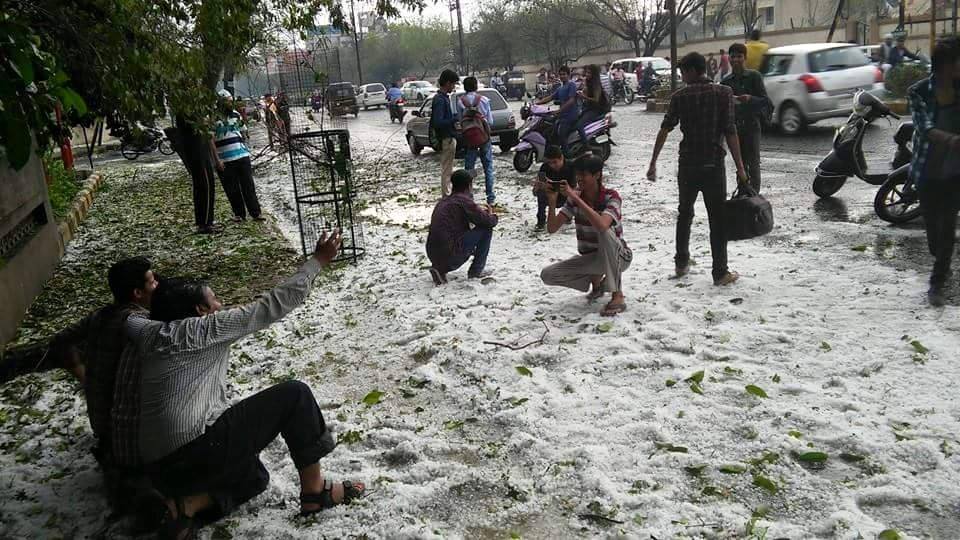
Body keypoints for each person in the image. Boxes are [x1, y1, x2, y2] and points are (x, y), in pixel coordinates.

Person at [116, 232, 363, 539]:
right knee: (295, 395)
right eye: (214, 300)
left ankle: (185, 507)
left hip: (160, 471)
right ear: (200, 312)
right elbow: (272, 304)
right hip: (193, 455)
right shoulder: (204, 329)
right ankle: (315, 494)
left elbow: (126, 319)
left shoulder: (146, 331)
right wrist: (319, 261)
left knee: (255, 475)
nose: (220, 304)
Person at [44, 257, 163, 529]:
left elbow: (59, 340)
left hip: (98, 419)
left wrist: (82, 373)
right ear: (137, 293)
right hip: (124, 426)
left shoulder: (100, 316)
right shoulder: (138, 324)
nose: (157, 285)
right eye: (152, 281)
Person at [646, 52, 748, 287]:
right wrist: (741, 169)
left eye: (683, 71)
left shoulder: (680, 97)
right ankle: (720, 272)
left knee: (685, 213)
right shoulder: (724, 93)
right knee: (717, 219)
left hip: (688, 165)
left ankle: (681, 263)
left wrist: (653, 162)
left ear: (693, 70)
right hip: (713, 165)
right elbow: (730, 131)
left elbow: (665, 129)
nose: (682, 76)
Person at [540, 156, 632, 317]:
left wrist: (575, 197)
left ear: (597, 175)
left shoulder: (612, 197)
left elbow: (603, 225)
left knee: (604, 232)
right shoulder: (574, 197)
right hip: (593, 259)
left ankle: (617, 295)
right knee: (547, 275)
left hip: (620, 257)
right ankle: (597, 285)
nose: (579, 179)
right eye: (578, 174)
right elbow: (552, 228)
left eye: (584, 175)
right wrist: (552, 201)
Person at [907, 36, 960, 306]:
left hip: (954, 172)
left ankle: (936, 284)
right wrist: (951, 140)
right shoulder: (919, 91)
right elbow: (924, 128)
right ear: (946, 65)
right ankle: (941, 259)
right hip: (927, 170)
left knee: (948, 227)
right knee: (934, 234)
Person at [426, 170, 498, 285]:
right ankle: (476, 271)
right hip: (451, 253)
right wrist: (491, 214)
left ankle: (440, 268)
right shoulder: (464, 201)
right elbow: (489, 221)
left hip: (432, 253)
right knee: (486, 229)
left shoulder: (443, 201)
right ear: (469, 186)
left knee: (451, 239)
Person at [722, 42, 771, 193]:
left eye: (739, 56)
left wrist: (750, 99)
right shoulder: (725, 82)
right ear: (728, 58)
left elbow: (765, 101)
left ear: (745, 58)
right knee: (740, 163)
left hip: (752, 126)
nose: (736, 60)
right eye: (733, 56)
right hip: (734, 129)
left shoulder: (754, 76)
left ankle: (754, 195)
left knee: (754, 163)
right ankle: (743, 193)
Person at [214, 89, 264, 222]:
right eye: (228, 102)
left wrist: (246, 145)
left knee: (248, 185)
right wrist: (217, 160)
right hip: (224, 158)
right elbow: (210, 140)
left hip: (241, 155)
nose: (230, 104)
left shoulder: (236, 115)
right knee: (231, 188)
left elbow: (243, 131)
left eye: (231, 101)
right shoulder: (213, 117)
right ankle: (239, 214)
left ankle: (256, 212)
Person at [174, 114, 220, 234]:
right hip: (196, 152)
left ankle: (205, 221)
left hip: (200, 150)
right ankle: (205, 223)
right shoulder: (185, 114)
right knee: (205, 186)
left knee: (206, 185)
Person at [456, 76, 497, 206]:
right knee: (488, 167)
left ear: (464, 87)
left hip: (469, 138)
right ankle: (490, 198)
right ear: (476, 86)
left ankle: (469, 196)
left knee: (469, 168)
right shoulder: (484, 100)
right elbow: (490, 121)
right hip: (484, 137)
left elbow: (459, 120)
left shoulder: (460, 102)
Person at [535, 65, 579, 154]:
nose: (562, 76)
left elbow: (571, 101)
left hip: (571, 115)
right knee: (549, 130)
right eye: (560, 74)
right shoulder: (560, 88)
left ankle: (567, 155)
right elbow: (550, 97)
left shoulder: (572, 85)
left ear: (568, 75)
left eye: (564, 74)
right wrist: (536, 104)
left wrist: (559, 110)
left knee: (561, 133)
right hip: (562, 115)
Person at [533, 145, 577, 230]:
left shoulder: (571, 167)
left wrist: (565, 190)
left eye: (555, 162)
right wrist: (538, 187)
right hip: (549, 195)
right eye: (550, 163)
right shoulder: (545, 167)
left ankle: (567, 216)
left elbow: (575, 190)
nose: (552, 165)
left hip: (565, 195)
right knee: (540, 193)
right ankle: (541, 221)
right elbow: (535, 192)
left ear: (561, 158)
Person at [432, 70, 460, 197]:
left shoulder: (443, 98)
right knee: (447, 170)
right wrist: (453, 120)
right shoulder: (440, 100)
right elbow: (438, 122)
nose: (454, 87)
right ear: (447, 83)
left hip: (448, 137)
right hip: (446, 138)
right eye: (453, 84)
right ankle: (446, 195)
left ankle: (447, 194)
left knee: (448, 168)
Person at [574, 65, 610, 150]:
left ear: (594, 74)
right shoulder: (587, 81)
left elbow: (596, 99)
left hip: (596, 109)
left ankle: (586, 145)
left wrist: (583, 96)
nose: (587, 74)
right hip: (588, 107)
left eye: (589, 73)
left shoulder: (596, 84)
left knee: (579, 125)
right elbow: (584, 91)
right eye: (586, 72)